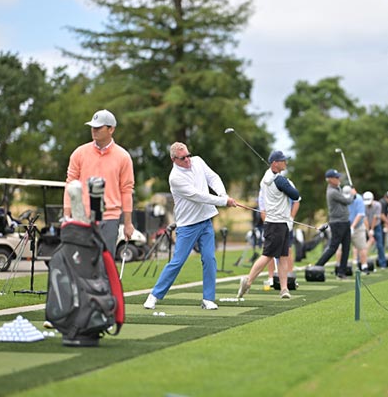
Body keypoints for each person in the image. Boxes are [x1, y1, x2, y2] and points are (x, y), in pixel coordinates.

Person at [144, 142, 237, 310]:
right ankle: (154, 295)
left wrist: (223, 194)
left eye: (188, 155)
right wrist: (224, 201)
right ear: (174, 159)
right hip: (187, 225)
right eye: (183, 158)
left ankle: (208, 299)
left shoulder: (198, 161)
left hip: (206, 221)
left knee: (209, 259)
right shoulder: (175, 178)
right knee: (178, 261)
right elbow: (199, 196)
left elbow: (213, 178)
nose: (188, 160)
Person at [64, 109, 135, 254]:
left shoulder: (123, 157)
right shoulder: (79, 153)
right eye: (92, 127)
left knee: (106, 263)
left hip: (110, 218)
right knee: (83, 262)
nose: (94, 130)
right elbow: (70, 185)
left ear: (111, 129)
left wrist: (128, 223)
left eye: (98, 127)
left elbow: (126, 190)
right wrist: (67, 215)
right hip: (83, 217)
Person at [237, 151, 300, 299]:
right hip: (276, 223)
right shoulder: (279, 180)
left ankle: (284, 289)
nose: (286, 163)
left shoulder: (267, 177)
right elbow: (295, 195)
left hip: (280, 222)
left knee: (284, 256)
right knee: (268, 255)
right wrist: (287, 183)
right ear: (275, 163)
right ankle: (248, 280)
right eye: (283, 161)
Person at [312, 169, 355, 279]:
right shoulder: (332, 192)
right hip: (338, 223)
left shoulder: (337, 189)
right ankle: (317, 267)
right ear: (330, 180)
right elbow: (347, 201)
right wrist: (352, 194)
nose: (338, 179)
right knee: (333, 247)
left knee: (346, 247)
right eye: (336, 178)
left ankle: (341, 272)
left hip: (344, 222)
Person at [338, 189, 368, 272]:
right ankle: (338, 266)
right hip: (344, 226)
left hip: (358, 227)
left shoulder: (359, 199)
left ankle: (364, 266)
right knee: (340, 248)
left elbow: (360, 214)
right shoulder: (340, 199)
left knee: (362, 247)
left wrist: (352, 227)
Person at [363, 191, 387, 268]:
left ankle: (382, 263)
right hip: (366, 227)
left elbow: (375, 218)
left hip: (377, 226)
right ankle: (363, 262)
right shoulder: (363, 206)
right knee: (363, 245)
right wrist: (368, 230)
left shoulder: (378, 205)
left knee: (380, 245)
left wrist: (372, 229)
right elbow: (365, 219)